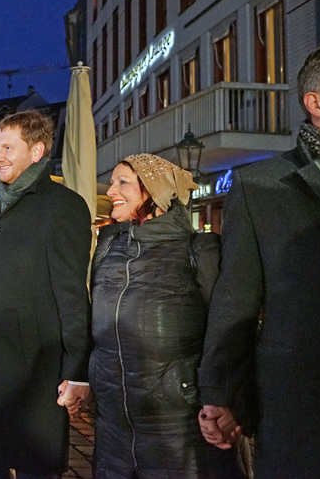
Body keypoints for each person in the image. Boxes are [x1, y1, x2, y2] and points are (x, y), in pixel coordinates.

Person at [197, 46, 320, 476]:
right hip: (299, 407)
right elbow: (236, 300)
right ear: (317, 103)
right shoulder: (261, 187)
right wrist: (219, 393)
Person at [0, 110, 92, 479]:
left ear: (37, 152)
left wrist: (77, 371)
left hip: (36, 371)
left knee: (35, 469)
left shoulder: (63, 206)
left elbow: (73, 296)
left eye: (7, 148)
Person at [89, 154, 242, 478]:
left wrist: (228, 402)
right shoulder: (107, 249)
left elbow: (229, 333)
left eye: (123, 182)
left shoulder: (199, 251)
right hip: (112, 433)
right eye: (112, 182)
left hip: (179, 434)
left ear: (154, 191)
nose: (111, 190)